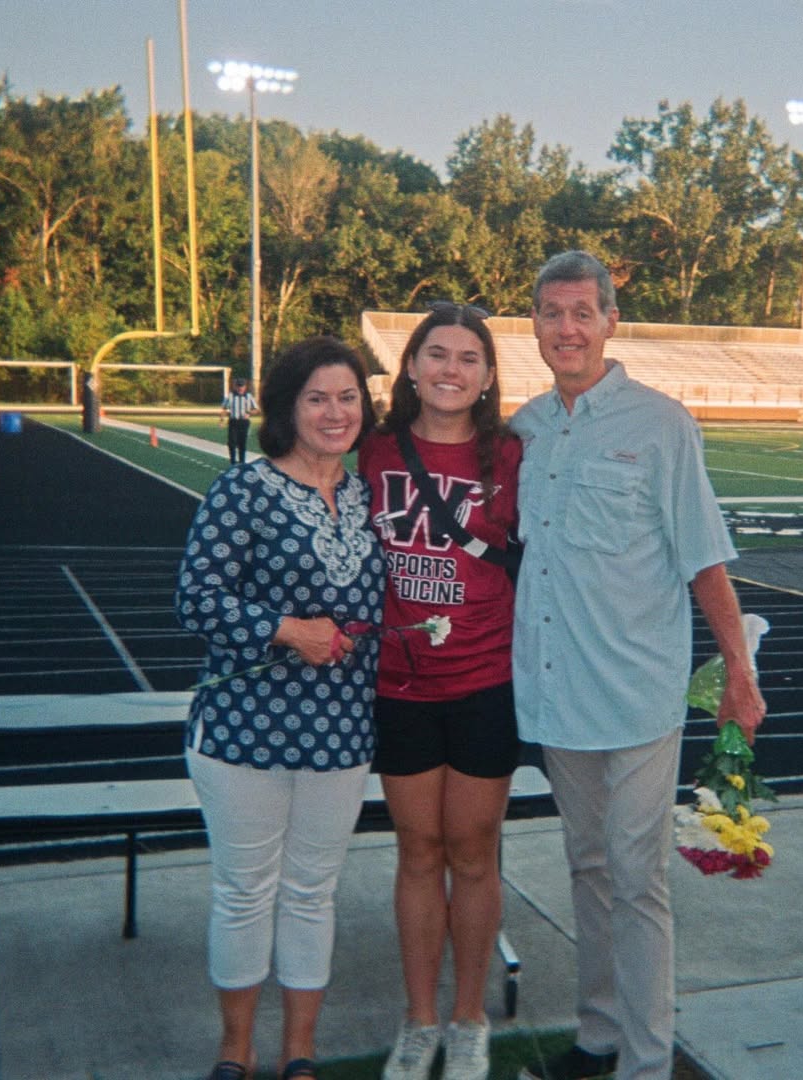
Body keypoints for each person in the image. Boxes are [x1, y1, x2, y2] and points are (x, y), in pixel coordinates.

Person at [510, 252, 767, 1080]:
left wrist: (738, 672)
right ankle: (600, 1034)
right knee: (587, 868)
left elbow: (704, 559)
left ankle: (648, 1062)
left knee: (636, 878)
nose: (568, 329)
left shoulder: (662, 426)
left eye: (582, 312)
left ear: (611, 321)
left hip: (637, 694)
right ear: (536, 325)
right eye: (553, 313)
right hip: (557, 694)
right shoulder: (524, 430)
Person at [178, 337, 386, 1080]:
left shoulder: (369, 498)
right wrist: (288, 629)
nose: (335, 413)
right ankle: (236, 1049)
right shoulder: (242, 490)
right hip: (244, 733)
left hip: (341, 733)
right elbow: (195, 599)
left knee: (311, 894)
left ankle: (301, 1051)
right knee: (244, 892)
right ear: (286, 408)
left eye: (348, 398)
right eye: (317, 398)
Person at [358, 302, 522, 1080]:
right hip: (400, 683)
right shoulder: (373, 449)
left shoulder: (513, 456)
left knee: (474, 852)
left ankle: (469, 1018)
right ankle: (420, 1019)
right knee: (418, 850)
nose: (451, 369)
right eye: (436, 353)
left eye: (468, 357)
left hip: (487, 679)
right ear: (412, 366)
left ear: (487, 376)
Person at [221, 375, 257, 464]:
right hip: (233, 421)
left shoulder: (248, 396)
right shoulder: (230, 396)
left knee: (242, 443)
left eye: (242, 386)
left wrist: (248, 413)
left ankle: (242, 462)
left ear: (245, 387)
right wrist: (222, 420)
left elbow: (256, 409)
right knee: (231, 443)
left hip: (244, 422)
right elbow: (224, 408)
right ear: (236, 386)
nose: (240, 388)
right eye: (239, 386)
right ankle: (233, 462)